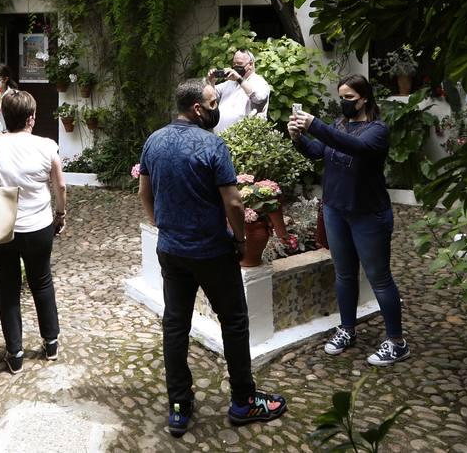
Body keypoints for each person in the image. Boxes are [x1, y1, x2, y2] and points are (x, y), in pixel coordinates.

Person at [139, 78, 287, 437]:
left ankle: (179, 407)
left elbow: (144, 191)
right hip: (211, 251)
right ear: (197, 109)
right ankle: (243, 401)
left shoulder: (154, 141)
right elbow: (234, 202)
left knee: (175, 326)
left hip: (172, 251)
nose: (215, 107)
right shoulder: (212, 144)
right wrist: (239, 239)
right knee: (234, 322)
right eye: (212, 102)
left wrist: (159, 224)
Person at [288, 75, 408, 366]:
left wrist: (315, 125)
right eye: (341, 97)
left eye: (350, 98)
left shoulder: (377, 130)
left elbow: (356, 148)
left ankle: (397, 342)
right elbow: (320, 152)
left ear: (365, 98)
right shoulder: (340, 125)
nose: (344, 103)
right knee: (344, 274)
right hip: (336, 210)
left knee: (380, 279)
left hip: (368, 214)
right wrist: (299, 139)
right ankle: (347, 329)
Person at [0, 90, 66, 373]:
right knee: (42, 281)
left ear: (4, 116)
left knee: (7, 288)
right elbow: (60, 186)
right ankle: (51, 343)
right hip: (38, 227)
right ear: (31, 118)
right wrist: (60, 213)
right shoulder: (46, 146)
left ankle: (15, 353)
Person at [206, 49, 271, 135]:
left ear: (250, 64)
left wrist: (239, 79)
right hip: (222, 137)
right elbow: (211, 96)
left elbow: (259, 99)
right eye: (234, 64)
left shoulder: (259, 82)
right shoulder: (230, 83)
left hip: (244, 142)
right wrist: (212, 81)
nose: (236, 67)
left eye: (239, 64)